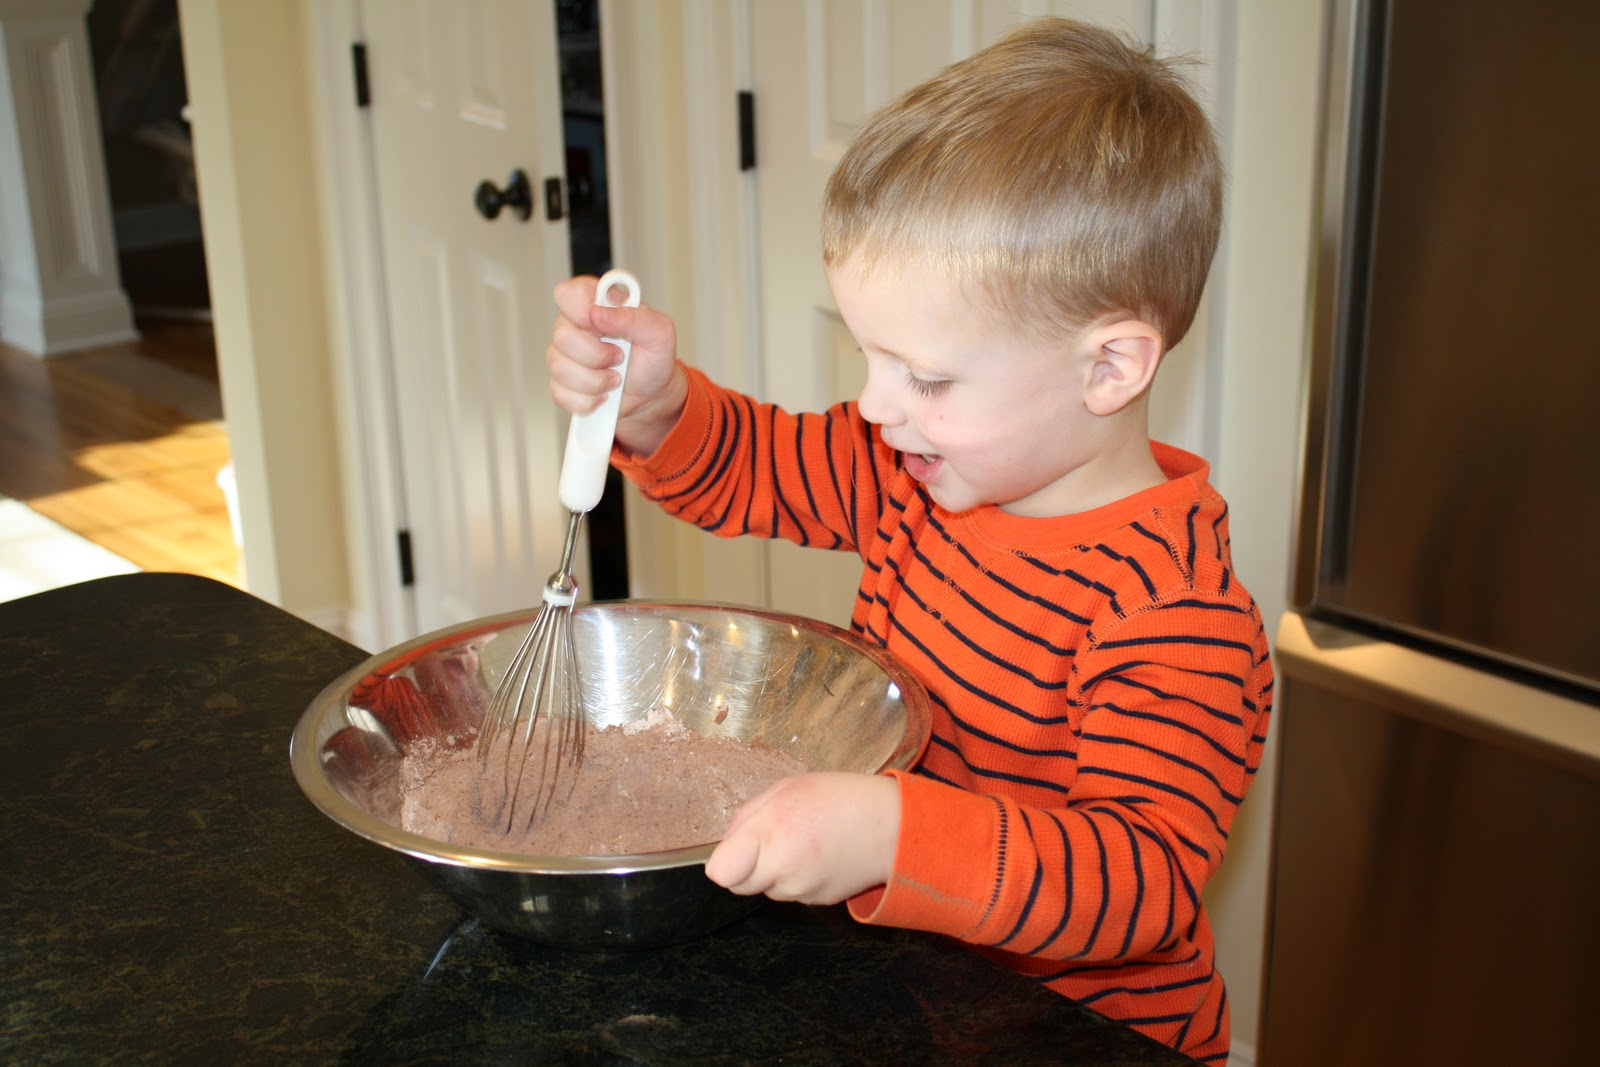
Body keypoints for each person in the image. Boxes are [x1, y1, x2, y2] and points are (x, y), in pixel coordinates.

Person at [545, 17, 1273, 1063]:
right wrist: (655, 407)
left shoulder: (1171, 610)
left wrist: (892, 831)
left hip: (1081, 1033)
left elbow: (1136, 880)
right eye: (868, 357)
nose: (877, 408)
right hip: (925, 990)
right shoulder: (917, 470)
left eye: (926, 376)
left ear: (1109, 367)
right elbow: (757, 462)